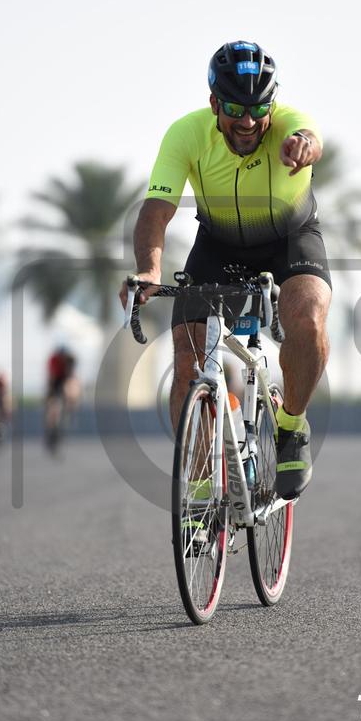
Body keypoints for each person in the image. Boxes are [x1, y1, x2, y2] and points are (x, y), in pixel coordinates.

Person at [120, 41, 332, 499]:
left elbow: (311, 138)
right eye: (235, 108)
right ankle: (199, 492)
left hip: (290, 240)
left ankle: (292, 426)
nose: (248, 121)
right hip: (218, 244)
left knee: (308, 319)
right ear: (214, 102)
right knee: (187, 358)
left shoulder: (290, 125)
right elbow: (156, 210)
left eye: (259, 109)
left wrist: (304, 145)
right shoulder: (186, 133)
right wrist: (148, 269)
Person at [44, 346, 80, 449]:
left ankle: (69, 412)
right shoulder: (54, 360)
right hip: (55, 383)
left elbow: (72, 379)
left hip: (64, 382)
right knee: (53, 406)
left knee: (72, 389)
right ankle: (51, 427)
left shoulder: (70, 361)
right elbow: (52, 379)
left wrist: (72, 398)